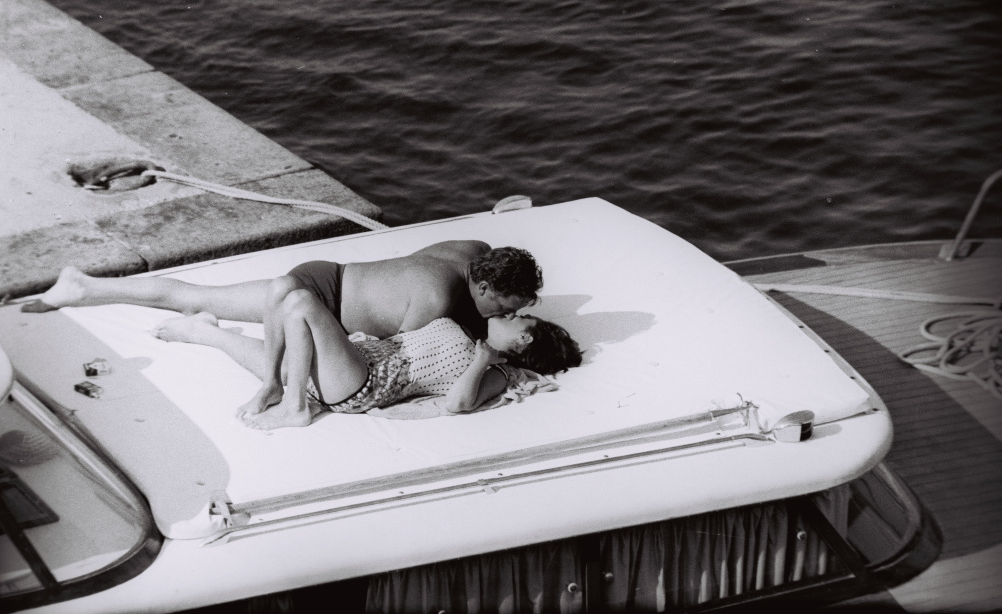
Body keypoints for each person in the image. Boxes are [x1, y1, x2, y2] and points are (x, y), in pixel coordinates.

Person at [152, 299, 583, 429]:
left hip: (363, 382)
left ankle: (294, 404)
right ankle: (203, 331)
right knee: (279, 326)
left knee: (300, 305)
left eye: (517, 319)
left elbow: (457, 405)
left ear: (525, 340)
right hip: (357, 362)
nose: (509, 314)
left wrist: (482, 362)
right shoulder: (475, 335)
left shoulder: (497, 372)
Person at [23, 241, 542, 339]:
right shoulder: (437, 300)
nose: (500, 315)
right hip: (318, 298)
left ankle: (87, 286)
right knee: (192, 296)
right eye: (501, 305)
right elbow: (402, 358)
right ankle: (85, 287)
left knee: (196, 297)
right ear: (484, 281)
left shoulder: (473, 246)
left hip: (332, 273)